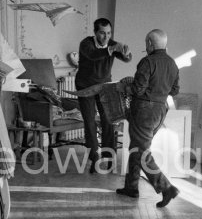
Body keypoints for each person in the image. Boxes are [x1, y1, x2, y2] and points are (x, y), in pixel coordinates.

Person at [116, 29, 180, 208]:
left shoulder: (147, 61)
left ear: (150, 44)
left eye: (146, 44)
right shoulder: (172, 64)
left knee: (142, 152)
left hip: (144, 110)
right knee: (138, 148)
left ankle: (167, 188)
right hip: (160, 110)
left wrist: (124, 88)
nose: (146, 47)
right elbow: (174, 91)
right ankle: (131, 187)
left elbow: (137, 89)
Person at [76, 18, 132, 173]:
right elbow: (94, 55)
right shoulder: (85, 44)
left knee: (108, 120)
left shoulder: (112, 43)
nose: (106, 37)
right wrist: (112, 49)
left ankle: (109, 158)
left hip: (104, 87)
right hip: (85, 86)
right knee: (90, 121)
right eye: (102, 33)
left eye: (109, 33)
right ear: (95, 32)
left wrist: (126, 52)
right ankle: (94, 158)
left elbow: (127, 58)